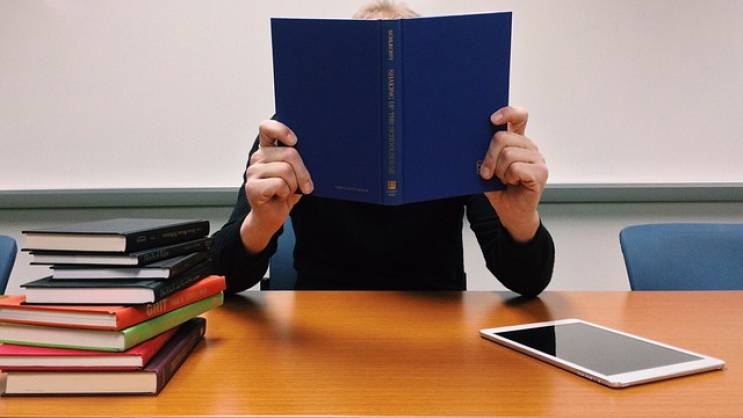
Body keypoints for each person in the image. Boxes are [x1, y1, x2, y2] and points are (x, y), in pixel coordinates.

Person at [211, 1, 555, 296]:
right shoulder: (288, 136)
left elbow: (528, 282)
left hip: (437, 326)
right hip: (322, 323)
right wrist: (260, 224)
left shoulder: (463, 134)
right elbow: (223, 277)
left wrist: (520, 218)